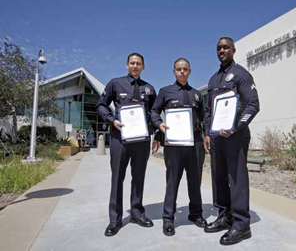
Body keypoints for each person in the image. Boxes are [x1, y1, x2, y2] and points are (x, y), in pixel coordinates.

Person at [203, 37, 260, 245]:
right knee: (218, 178)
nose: (222, 50)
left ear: (233, 50)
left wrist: (235, 127)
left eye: (226, 47)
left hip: (236, 136)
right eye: (219, 48)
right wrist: (208, 133)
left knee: (236, 179)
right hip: (217, 137)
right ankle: (225, 216)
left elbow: (253, 105)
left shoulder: (242, 75)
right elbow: (209, 110)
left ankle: (242, 224)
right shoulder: (213, 79)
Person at [97, 53, 160, 237]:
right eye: (132, 63)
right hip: (120, 139)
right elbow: (101, 105)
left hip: (142, 140)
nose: (135, 66)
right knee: (117, 178)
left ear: (143, 67)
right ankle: (114, 219)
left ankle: (137, 213)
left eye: (138, 64)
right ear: (126, 65)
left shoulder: (149, 89)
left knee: (138, 177)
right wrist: (111, 120)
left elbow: (154, 113)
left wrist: (157, 134)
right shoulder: (115, 84)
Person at [151, 58, 207, 236]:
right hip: (174, 145)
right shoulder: (165, 92)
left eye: (185, 69)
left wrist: (206, 135)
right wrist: (159, 125)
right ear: (174, 71)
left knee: (195, 180)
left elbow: (204, 117)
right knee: (173, 181)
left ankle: (196, 214)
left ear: (190, 71)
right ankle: (168, 218)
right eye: (178, 69)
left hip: (195, 143)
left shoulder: (197, 94)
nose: (182, 72)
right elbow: (154, 111)